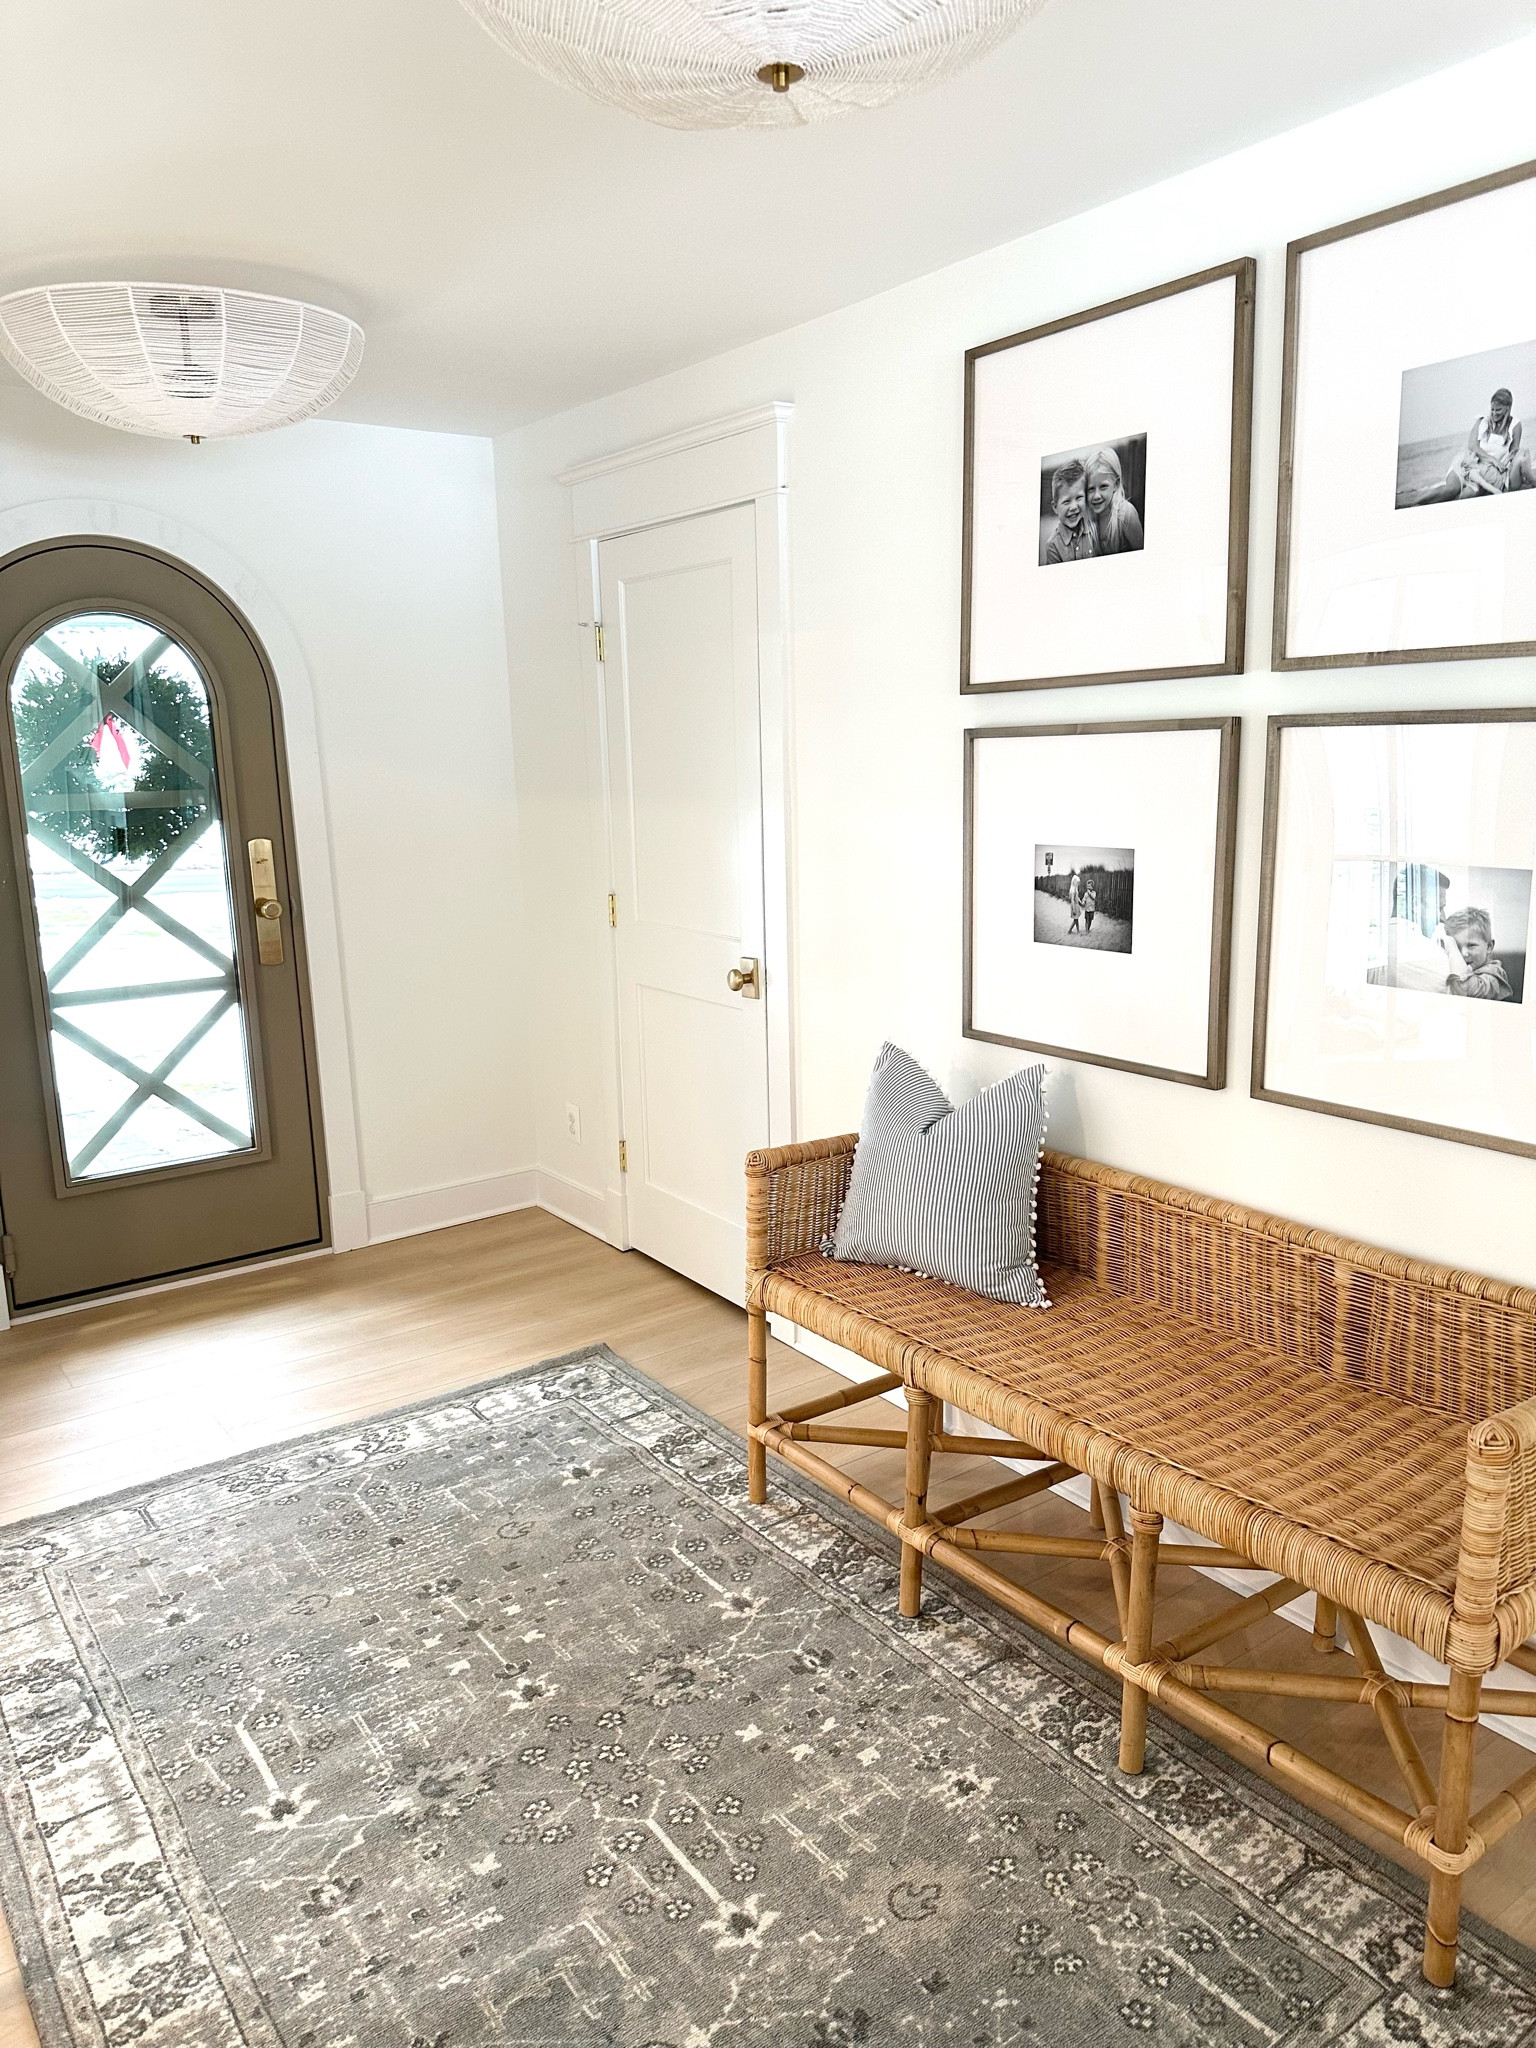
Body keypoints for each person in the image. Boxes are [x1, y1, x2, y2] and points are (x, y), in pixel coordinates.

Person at [1413, 387, 1524, 503]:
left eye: (1498, 410)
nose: (1494, 413)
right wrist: (1494, 460)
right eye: (1492, 409)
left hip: (1487, 474)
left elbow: (1513, 454)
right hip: (1468, 464)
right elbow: (1472, 446)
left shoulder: (1515, 426)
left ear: (1508, 408)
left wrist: (1503, 475)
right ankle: (1414, 502)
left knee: (1470, 494)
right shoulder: (1482, 421)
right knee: (1451, 490)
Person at [1442, 907, 1516, 1001]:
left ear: (1489, 946)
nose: (1463, 953)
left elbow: (1466, 990)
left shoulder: (1494, 975)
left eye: (1471, 945)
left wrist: (1453, 951)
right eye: (1456, 946)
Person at [1084, 447, 1145, 555]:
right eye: (1091, 489)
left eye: (1103, 487)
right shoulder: (1089, 518)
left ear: (1116, 484)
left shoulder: (1125, 513)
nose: (1096, 496)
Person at [1041, 461, 1096, 565]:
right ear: (1055, 507)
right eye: (1066, 501)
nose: (1074, 507)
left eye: (1079, 497)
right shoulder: (1053, 546)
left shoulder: (1095, 531)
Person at [1067, 868, 1083, 933]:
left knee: (1076, 919)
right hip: (1074, 906)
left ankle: (1077, 931)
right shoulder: (1072, 890)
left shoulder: (1075, 889)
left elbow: (1077, 897)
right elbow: (1072, 900)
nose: (1078, 884)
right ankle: (1070, 930)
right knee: (1075, 920)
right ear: (1074, 882)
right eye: (1077, 882)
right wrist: (1073, 909)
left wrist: (1080, 901)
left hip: (1077, 905)